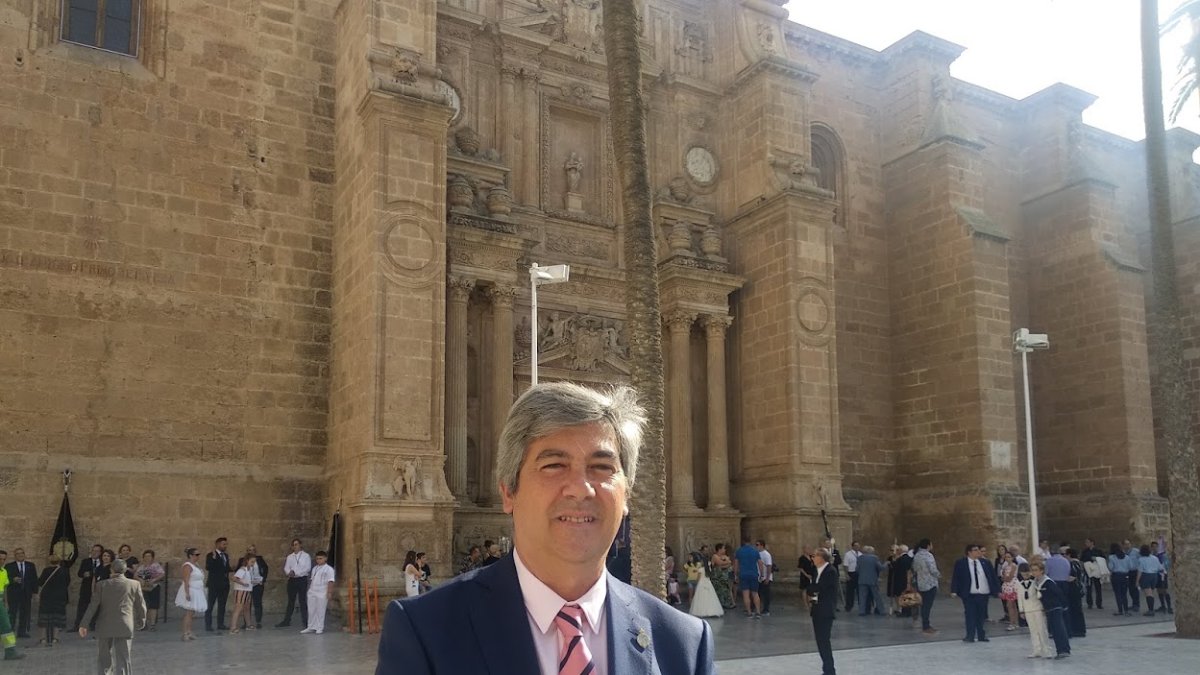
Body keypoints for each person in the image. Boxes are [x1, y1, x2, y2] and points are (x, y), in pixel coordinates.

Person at [376, 382, 714, 674]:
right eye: (554, 465)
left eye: (601, 467)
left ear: (626, 495)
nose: (581, 489)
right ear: (508, 492)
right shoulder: (426, 631)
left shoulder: (682, 643)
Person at [78, 559, 147, 675]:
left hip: (105, 624)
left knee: (104, 659)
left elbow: (93, 606)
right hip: (125, 624)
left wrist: (84, 624)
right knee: (124, 658)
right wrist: (142, 620)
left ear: (111, 569)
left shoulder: (101, 585)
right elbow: (141, 605)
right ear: (125, 570)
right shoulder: (134, 584)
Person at [950, 543, 997, 643]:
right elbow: (956, 577)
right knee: (970, 615)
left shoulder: (985, 562)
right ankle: (970, 636)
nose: (978, 552)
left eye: (978, 550)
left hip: (983, 593)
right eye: (975, 550)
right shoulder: (961, 563)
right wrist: (954, 590)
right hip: (969, 594)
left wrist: (997, 590)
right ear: (969, 552)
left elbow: (992, 576)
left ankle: (981, 635)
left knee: (981, 615)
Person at [1030, 560, 1070, 659]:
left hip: (1055, 607)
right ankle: (1060, 650)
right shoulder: (1036, 582)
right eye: (1033, 570)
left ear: (1041, 571)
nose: (1034, 572)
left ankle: (1064, 650)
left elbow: (1059, 593)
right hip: (1047, 609)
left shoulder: (1047, 582)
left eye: (1036, 570)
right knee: (1053, 631)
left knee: (1058, 629)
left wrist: (1064, 605)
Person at [808, 547, 838, 675]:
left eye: (815, 556)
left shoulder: (830, 571)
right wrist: (812, 590)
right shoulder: (816, 571)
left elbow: (820, 587)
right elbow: (812, 588)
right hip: (817, 608)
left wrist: (812, 589)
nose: (812, 558)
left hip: (825, 610)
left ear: (821, 558)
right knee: (820, 641)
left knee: (824, 640)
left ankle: (830, 670)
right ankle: (827, 669)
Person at [1016, 562, 1051, 658]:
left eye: (1027, 572)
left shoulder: (1035, 582)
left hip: (1038, 608)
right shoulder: (1019, 584)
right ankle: (1036, 650)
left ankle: (1047, 650)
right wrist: (1021, 610)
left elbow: (1040, 595)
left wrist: (1043, 607)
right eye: (1023, 573)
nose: (1025, 575)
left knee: (1042, 630)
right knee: (1033, 630)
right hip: (1027, 610)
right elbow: (1019, 598)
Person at [174, 547, 207, 642]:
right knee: (189, 612)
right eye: (196, 554)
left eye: (199, 554)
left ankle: (189, 631)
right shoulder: (187, 566)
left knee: (192, 612)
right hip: (191, 590)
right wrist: (187, 593)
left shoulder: (196, 565)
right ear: (190, 555)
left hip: (197, 590)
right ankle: (185, 633)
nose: (198, 556)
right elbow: (186, 580)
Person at [36, 554, 69, 646]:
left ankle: (43, 639)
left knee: (44, 618)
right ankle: (55, 638)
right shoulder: (64, 571)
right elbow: (67, 582)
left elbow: (40, 582)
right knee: (57, 619)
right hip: (60, 597)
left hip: (47, 597)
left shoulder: (46, 570)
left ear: (49, 561)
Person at [3, 548, 37, 638]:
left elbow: (34, 579)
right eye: (17, 554)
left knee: (24, 613)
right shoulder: (9, 566)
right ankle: (10, 632)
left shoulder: (30, 565)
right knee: (12, 613)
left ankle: (21, 632)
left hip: (26, 593)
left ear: (24, 554)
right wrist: (12, 580)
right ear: (15, 556)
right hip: (14, 593)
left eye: (22, 553)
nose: (20, 555)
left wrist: (35, 592)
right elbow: (5, 579)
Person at [278, 538, 312, 628]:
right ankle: (287, 620)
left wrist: (296, 573)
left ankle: (305, 622)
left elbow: (307, 568)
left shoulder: (306, 556)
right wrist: (289, 572)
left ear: (300, 545)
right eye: (293, 545)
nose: (295, 546)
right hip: (292, 580)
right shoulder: (290, 557)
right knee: (291, 601)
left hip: (302, 580)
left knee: (302, 601)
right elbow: (286, 567)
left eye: (296, 544)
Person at [302, 551, 336, 635]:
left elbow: (330, 581)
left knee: (320, 610)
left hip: (322, 591)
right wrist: (310, 590)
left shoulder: (329, 569)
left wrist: (329, 592)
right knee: (311, 610)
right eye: (317, 559)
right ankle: (311, 626)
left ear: (325, 558)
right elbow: (312, 579)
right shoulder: (315, 568)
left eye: (320, 558)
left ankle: (319, 627)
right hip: (313, 591)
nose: (318, 560)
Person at [73, 544, 104, 632]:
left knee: (97, 607)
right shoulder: (86, 561)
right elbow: (79, 573)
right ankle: (78, 625)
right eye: (93, 550)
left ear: (100, 553)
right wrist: (84, 574)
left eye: (97, 551)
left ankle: (93, 625)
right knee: (82, 606)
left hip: (98, 587)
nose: (94, 553)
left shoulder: (102, 562)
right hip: (86, 587)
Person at [236, 544, 268, 629]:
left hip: (257, 584)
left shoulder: (259, 559)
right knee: (246, 604)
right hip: (247, 585)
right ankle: (247, 622)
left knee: (258, 603)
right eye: (249, 550)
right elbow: (238, 571)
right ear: (247, 552)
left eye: (253, 550)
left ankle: (258, 621)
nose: (251, 552)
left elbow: (266, 569)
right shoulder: (242, 560)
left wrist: (263, 579)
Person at [911, 538, 939, 634]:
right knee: (927, 605)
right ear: (928, 545)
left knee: (923, 605)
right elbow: (933, 569)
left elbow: (914, 568)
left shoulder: (917, 555)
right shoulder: (928, 555)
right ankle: (926, 625)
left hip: (920, 582)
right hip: (930, 583)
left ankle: (925, 624)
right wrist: (938, 575)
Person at [205, 537, 232, 631]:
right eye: (223, 544)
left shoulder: (226, 556)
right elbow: (208, 567)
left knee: (222, 605)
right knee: (210, 605)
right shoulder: (210, 555)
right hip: (214, 584)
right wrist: (213, 559)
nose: (225, 546)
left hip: (224, 584)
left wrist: (233, 568)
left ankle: (220, 624)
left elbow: (225, 568)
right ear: (217, 544)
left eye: (226, 544)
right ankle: (208, 625)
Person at [0, 553, 23, 662]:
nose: (1, 561)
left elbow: (4, 589)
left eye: (3, 559)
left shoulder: (4, 571)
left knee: (7, 627)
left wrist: (6, 603)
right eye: (0, 559)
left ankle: (10, 652)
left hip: (0, 603)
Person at [733, 537, 763, 618]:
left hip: (743, 574)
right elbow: (760, 563)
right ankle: (758, 612)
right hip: (754, 574)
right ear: (750, 541)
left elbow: (736, 564)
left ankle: (749, 612)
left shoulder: (739, 551)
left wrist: (735, 575)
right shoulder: (755, 551)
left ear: (743, 541)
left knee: (745, 594)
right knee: (755, 593)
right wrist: (762, 574)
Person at [134, 550, 165, 631]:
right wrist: (140, 579)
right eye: (146, 556)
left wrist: (154, 580)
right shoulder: (141, 567)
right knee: (145, 606)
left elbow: (162, 574)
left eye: (149, 556)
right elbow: (135, 575)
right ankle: (144, 624)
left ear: (152, 557)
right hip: (144, 588)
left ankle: (152, 624)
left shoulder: (156, 565)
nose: (147, 558)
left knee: (153, 606)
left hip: (154, 587)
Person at [853, 545, 884, 616]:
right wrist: (886, 564)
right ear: (871, 551)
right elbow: (880, 568)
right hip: (872, 580)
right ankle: (881, 610)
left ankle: (862, 611)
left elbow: (857, 569)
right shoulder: (874, 558)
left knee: (862, 597)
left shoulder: (860, 558)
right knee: (877, 596)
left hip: (862, 579)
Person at [1136, 543, 1164, 616]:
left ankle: (1151, 610)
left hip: (1146, 575)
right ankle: (1151, 609)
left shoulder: (1141, 559)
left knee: (1148, 593)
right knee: (1152, 592)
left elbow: (1140, 571)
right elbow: (1160, 567)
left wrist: (1137, 581)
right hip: (1154, 576)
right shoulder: (1155, 558)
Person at [230, 554, 255, 633]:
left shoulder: (249, 570)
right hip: (241, 590)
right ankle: (233, 627)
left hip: (247, 591)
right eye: (252, 561)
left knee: (246, 608)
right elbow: (234, 578)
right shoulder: (242, 569)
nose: (253, 563)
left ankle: (248, 625)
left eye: (254, 562)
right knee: (238, 608)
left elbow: (249, 580)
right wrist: (243, 584)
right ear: (247, 561)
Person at [1065, 548, 1087, 636]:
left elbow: (1072, 577)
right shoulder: (1080, 563)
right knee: (1078, 609)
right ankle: (1080, 629)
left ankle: (1076, 629)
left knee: (1074, 609)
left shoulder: (1072, 564)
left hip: (1073, 588)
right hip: (1079, 588)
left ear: (1069, 555)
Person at [1079, 538, 1105, 610]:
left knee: (1098, 587)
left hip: (1096, 570)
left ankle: (1099, 603)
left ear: (1092, 542)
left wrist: (1096, 558)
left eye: (1087, 542)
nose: (1086, 544)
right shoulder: (1085, 551)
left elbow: (1103, 559)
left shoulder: (1098, 551)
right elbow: (1082, 560)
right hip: (1088, 571)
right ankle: (1089, 603)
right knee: (1089, 587)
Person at [1107, 542, 1132, 616]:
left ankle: (1120, 610)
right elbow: (1130, 566)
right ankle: (1126, 610)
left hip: (1116, 576)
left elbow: (1111, 567)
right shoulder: (1127, 557)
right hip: (1125, 576)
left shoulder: (1112, 557)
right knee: (1124, 594)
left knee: (1118, 593)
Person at [709, 543, 735, 609]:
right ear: (719, 549)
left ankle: (725, 604)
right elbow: (720, 563)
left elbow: (728, 565)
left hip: (724, 578)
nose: (725, 550)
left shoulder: (724, 556)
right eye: (723, 548)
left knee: (725, 591)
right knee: (718, 591)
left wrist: (726, 563)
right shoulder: (715, 556)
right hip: (716, 578)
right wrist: (727, 562)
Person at [1150, 540, 1173, 614]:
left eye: (1156, 547)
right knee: (1159, 590)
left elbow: (1167, 564)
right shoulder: (1151, 556)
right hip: (1156, 575)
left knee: (1164, 590)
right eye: (1153, 547)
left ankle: (1169, 607)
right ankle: (1163, 606)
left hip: (1162, 574)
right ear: (1151, 548)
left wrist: (1163, 569)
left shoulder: (1162, 555)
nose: (1155, 548)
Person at [998, 550, 1019, 630]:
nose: (1007, 558)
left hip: (1012, 586)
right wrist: (1004, 578)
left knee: (1010, 605)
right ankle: (1015, 622)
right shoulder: (1005, 566)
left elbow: (1010, 577)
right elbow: (1002, 576)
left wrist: (1005, 578)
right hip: (1007, 586)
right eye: (1006, 557)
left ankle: (1012, 623)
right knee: (1012, 605)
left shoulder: (1013, 566)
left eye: (1009, 557)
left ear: (1012, 558)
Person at [756, 540, 774, 616]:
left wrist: (767, 578)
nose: (756, 546)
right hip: (758, 577)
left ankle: (766, 610)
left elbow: (769, 566)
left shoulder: (766, 554)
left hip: (765, 577)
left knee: (766, 594)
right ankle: (757, 608)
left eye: (757, 545)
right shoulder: (757, 554)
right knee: (758, 593)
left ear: (762, 545)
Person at [842, 541, 861, 612]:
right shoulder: (848, 554)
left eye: (858, 546)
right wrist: (846, 574)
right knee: (850, 591)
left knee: (860, 590)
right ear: (852, 546)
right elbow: (845, 565)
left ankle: (861, 605)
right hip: (851, 573)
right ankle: (849, 606)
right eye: (856, 546)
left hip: (859, 573)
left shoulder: (860, 554)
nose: (857, 547)